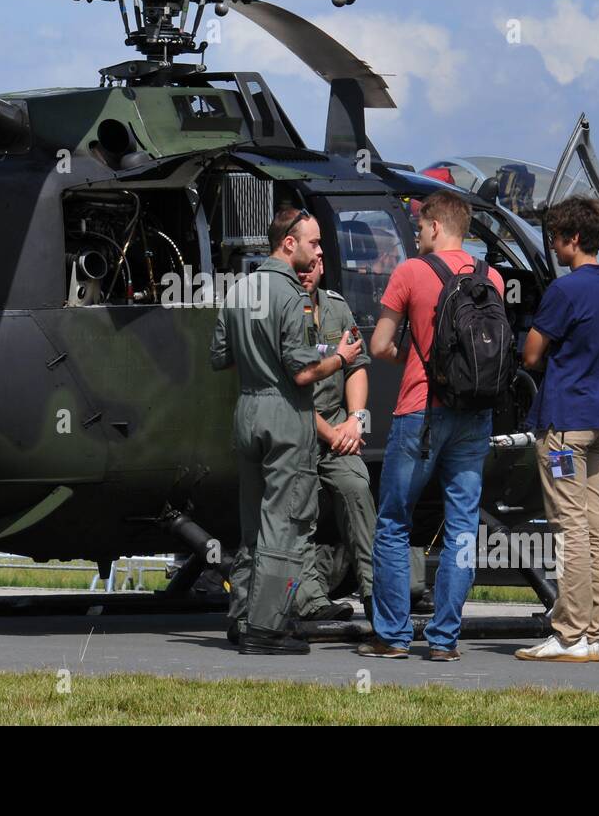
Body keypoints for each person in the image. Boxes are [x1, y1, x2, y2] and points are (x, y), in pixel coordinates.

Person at [211, 207, 363, 655]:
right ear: (288, 243)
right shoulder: (292, 294)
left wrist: (260, 360)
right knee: (288, 524)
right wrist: (341, 357)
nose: (319, 251)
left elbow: (221, 355)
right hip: (284, 416)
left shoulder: (239, 290)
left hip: (247, 411)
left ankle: (242, 617)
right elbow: (302, 373)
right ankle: (267, 628)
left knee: (254, 524)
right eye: (313, 243)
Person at [364, 190, 504, 660]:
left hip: (421, 411)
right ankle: (444, 640)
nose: (417, 234)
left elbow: (380, 345)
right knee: (463, 527)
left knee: (393, 523)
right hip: (475, 414)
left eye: (420, 227)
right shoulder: (493, 278)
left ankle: (393, 635)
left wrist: (415, 358)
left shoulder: (410, 273)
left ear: (437, 227)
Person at [514, 199, 599, 663]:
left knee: (568, 526)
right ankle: (592, 628)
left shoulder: (565, 291)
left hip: (564, 424)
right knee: (597, 523)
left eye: (557, 237)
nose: (555, 246)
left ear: (573, 239)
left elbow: (532, 355)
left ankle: (569, 633)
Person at [291, 256, 372, 623]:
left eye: (311, 266)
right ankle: (310, 600)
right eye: (299, 266)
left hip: (340, 430)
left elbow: (356, 366)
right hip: (297, 429)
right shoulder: (282, 312)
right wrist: (330, 432)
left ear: (321, 266)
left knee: (357, 488)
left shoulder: (338, 308)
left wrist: (356, 420)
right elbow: (287, 388)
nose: (305, 272)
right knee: (300, 508)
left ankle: (375, 592)